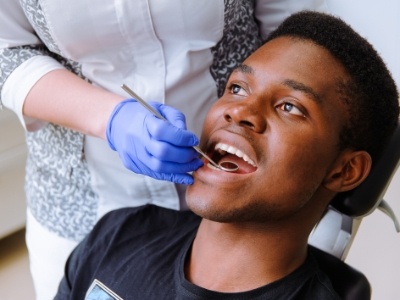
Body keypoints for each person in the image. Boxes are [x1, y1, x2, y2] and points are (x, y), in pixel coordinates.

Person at [53, 11, 399, 300]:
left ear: (345, 170)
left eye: (290, 107)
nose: (240, 111)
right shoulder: (119, 234)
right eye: (237, 88)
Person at [0, 1, 328, 298]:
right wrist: (112, 119)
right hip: (83, 198)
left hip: (240, 215)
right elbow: (6, 51)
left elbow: (297, 39)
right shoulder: (98, 247)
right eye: (238, 90)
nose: (239, 112)